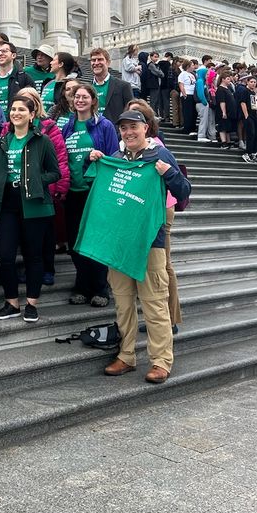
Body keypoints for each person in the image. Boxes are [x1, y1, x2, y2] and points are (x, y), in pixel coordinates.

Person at [100, 110, 191, 384]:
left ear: (146, 128)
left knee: (154, 302)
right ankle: (126, 356)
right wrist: (94, 164)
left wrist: (170, 174)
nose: (128, 133)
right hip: (120, 243)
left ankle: (161, 360)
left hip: (151, 241)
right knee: (123, 303)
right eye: (124, 128)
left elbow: (184, 190)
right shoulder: (115, 160)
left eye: (133, 127)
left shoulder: (160, 156)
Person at [0, 95, 60, 323]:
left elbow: (55, 172)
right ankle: (11, 302)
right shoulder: (3, 141)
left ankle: (31, 303)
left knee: (33, 256)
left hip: (34, 204)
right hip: (7, 202)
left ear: (31, 115)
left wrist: (35, 179)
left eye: (21, 109)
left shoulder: (42, 140)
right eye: (13, 109)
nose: (16, 113)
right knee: (6, 256)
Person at [61, 83, 118, 305]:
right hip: (72, 191)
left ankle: (100, 288)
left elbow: (114, 157)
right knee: (75, 241)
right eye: (77, 97)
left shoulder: (104, 126)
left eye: (85, 97)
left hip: (94, 190)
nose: (80, 100)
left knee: (95, 239)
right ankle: (81, 285)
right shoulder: (68, 126)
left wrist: (100, 156)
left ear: (94, 101)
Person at [128, 100, 182, 333]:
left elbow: (178, 181)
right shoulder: (125, 148)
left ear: (147, 124)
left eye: (137, 117)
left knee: (163, 264)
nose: (132, 124)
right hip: (139, 210)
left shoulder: (157, 147)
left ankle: (170, 317)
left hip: (161, 208)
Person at [11, 86, 70, 286]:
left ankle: (48, 269)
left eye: (29, 101)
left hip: (45, 189)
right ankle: (29, 268)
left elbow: (60, 159)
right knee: (26, 235)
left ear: (35, 105)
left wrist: (59, 187)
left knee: (46, 235)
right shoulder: (9, 128)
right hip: (17, 192)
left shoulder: (48, 128)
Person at [0, 40, 31, 117]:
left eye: (4, 51)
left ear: (13, 55)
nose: (0, 54)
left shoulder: (24, 78)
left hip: (15, 123)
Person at [89, 48, 133, 123]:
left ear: (108, 62)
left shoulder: (123, 86)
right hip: (93, 131)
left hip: (114, 131)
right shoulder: (87, 89)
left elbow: (131, 112)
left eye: (100, 59)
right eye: (93, 60)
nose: (96, 63)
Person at [215, 70, 237, 148]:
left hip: (229, 111)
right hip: (224, 111)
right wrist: (223, 112)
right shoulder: (220, 89)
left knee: (227, 127)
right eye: (227, 79)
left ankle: (228, 141)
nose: (229, 80)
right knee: (223, 127)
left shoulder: (227, 89)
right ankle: (224, 142)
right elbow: (222, 101)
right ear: (223, 79)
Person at [178, 59, 197, 136]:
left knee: (193, 112)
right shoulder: (183, 74)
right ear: (188, 66)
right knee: (187, 112)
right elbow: (181, 84)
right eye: (192, 65)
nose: (193, 67)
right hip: (187, 94)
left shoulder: (192, 75)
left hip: (193, 95)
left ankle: (192, 127)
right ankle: (187, 128)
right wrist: (184, 93)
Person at [147, 51, 166, 117]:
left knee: (156, 101)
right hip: (153, 85)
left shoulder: (156, 65)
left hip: (156, 85)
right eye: (155, 57)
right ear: (151, 57)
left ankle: (155, 115)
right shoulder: (151, 65)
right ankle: (153, 115)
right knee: (154, 101)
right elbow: (160, 73)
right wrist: (159, 72)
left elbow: (162, 74)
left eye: (157, 57)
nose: (156, 58)